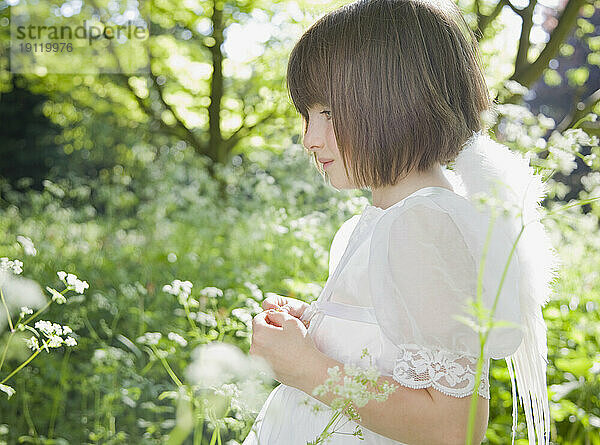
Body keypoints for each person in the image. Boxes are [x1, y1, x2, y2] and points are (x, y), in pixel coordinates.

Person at [243, 0, 557, 444]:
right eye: (307, 115)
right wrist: (319, 326)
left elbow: (453, 427)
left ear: (395, 100)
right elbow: (396, 346)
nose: (310, 138)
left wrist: (305, 367)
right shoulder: (389, 218)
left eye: (328, 113)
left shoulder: (423, 224)